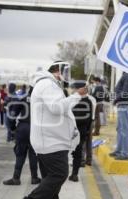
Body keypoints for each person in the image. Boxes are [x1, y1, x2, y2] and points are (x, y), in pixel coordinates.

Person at [24, 62, 87, 199]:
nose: (68, 75)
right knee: (59, 174)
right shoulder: (47, 84)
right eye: (66, 71)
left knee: (52, 188)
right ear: (58, 70)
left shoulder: (50, 84)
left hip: (51, 141)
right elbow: (57, 107)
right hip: (51, 143)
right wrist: (77, 95)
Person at [3, 86, 41, 186]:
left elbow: (13, 114)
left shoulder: (23, 98)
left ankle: (16, 178)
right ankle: (34, 177)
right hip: (36, 129)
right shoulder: (42, 102)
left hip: (23, 128)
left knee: (20, 154)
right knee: (33, 154)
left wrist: (12, 128)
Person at [69, 81, 94, 182]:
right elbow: (90, 119)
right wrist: (87, 131)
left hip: (71, 129)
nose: (74, 90)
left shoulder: (73, 100)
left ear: (79, 89)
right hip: (82, 130)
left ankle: (68, 174)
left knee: (66, 151)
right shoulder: (89, 101)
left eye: (75, 88)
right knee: (78, 152)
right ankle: (74, 174)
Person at [109, 72, 128, 160]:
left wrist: (115, 100)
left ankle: (125, 153)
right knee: (120, 129)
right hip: (123, 103)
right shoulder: (127, 74)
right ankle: (119, 150)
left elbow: (126, 92)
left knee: (124, 129)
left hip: (125, 104)